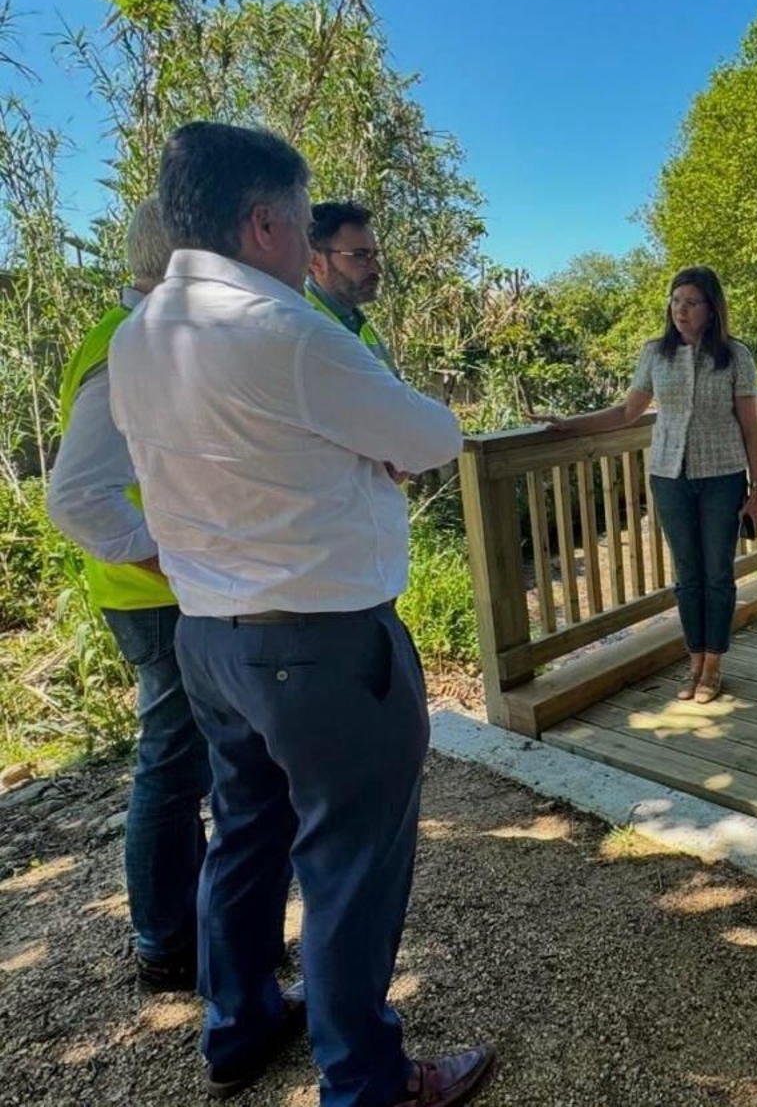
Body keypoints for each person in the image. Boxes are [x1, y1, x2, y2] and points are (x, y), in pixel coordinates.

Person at [108, 121, 494, 1107]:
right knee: (350, 860)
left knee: (245, 832)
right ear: (266, 221)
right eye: (299, 213)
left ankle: (237, 1025)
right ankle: (365, 1079)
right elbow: (431, 434)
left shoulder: (138, 337)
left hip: (209, 640)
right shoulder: (286, 332)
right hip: (321, 647)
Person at [46, 197, 212, 995]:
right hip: (153, 596)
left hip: (157, 589)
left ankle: (192, 927)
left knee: (188, 765)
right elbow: (76, 495)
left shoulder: (144, 338)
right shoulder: (128, 348)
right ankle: (167, 944)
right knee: (173, 766)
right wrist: (172, 564)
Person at [541, 267, 757, 702]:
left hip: (723, 475)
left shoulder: (736, 356)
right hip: (668, 475)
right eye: (676, 300)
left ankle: (714, 664)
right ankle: (694, 660)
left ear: (712, 308)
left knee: (717, 572)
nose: (681, 309)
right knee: (686, 574)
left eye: (692, 302)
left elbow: (751, 427)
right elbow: (626, 413)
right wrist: (569, 425)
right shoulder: (654, 354)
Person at [305, 200, 396, 372]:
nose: (377, 269)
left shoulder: (359, 324)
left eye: (374, 255)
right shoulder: (304, 324)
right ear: (315, 262)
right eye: (360, 255)